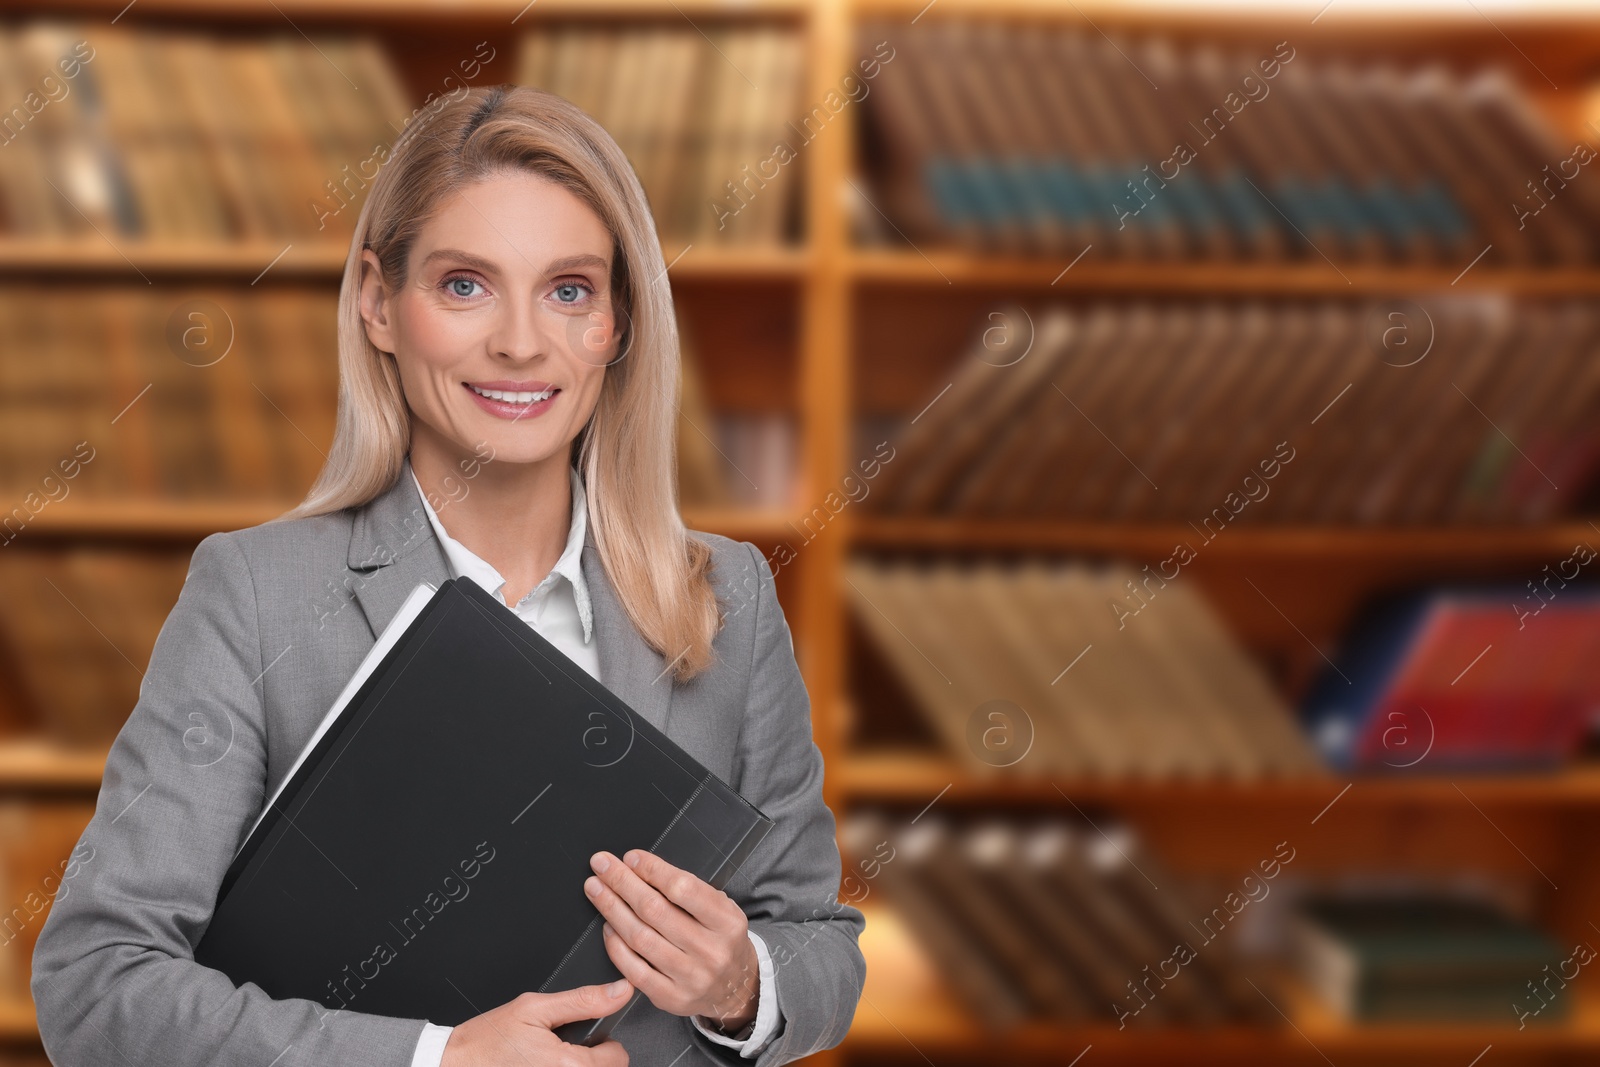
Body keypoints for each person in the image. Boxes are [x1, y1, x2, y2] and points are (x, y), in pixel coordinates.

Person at [30, 83, 865, 1067]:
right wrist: (432, 1057)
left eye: (569, 289)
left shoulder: (727, 599)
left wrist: (742, 984)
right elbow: (96, 983)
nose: (520, 341)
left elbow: (820, 945)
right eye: (464, 284)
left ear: (618, 322)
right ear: (379, 304)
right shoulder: (256, 596)